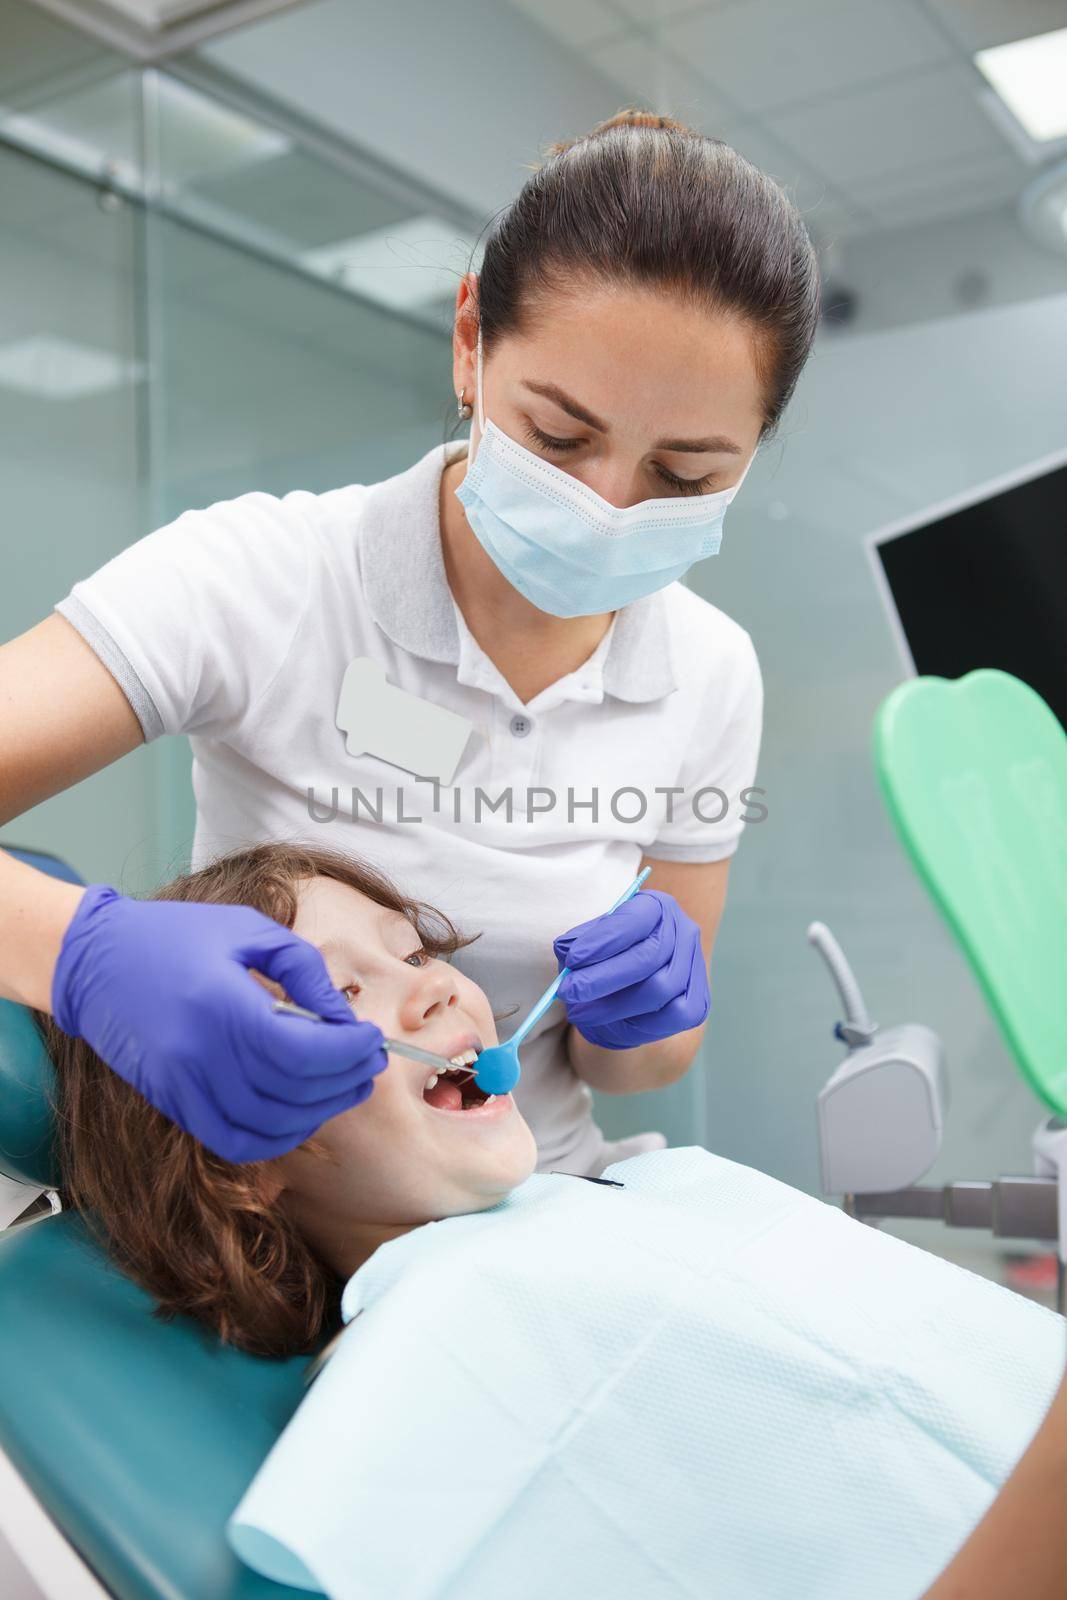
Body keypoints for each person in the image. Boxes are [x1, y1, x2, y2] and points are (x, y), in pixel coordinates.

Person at [2, 107, 821, 1175]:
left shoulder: (711, 674)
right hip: (301, 1197)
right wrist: (81, 953)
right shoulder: (265, 576)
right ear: (470, 342)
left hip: (548, 1190)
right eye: (558, 435)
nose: (607, 505)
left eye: (685, 474)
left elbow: (646, 1065)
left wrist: (645, 1022)